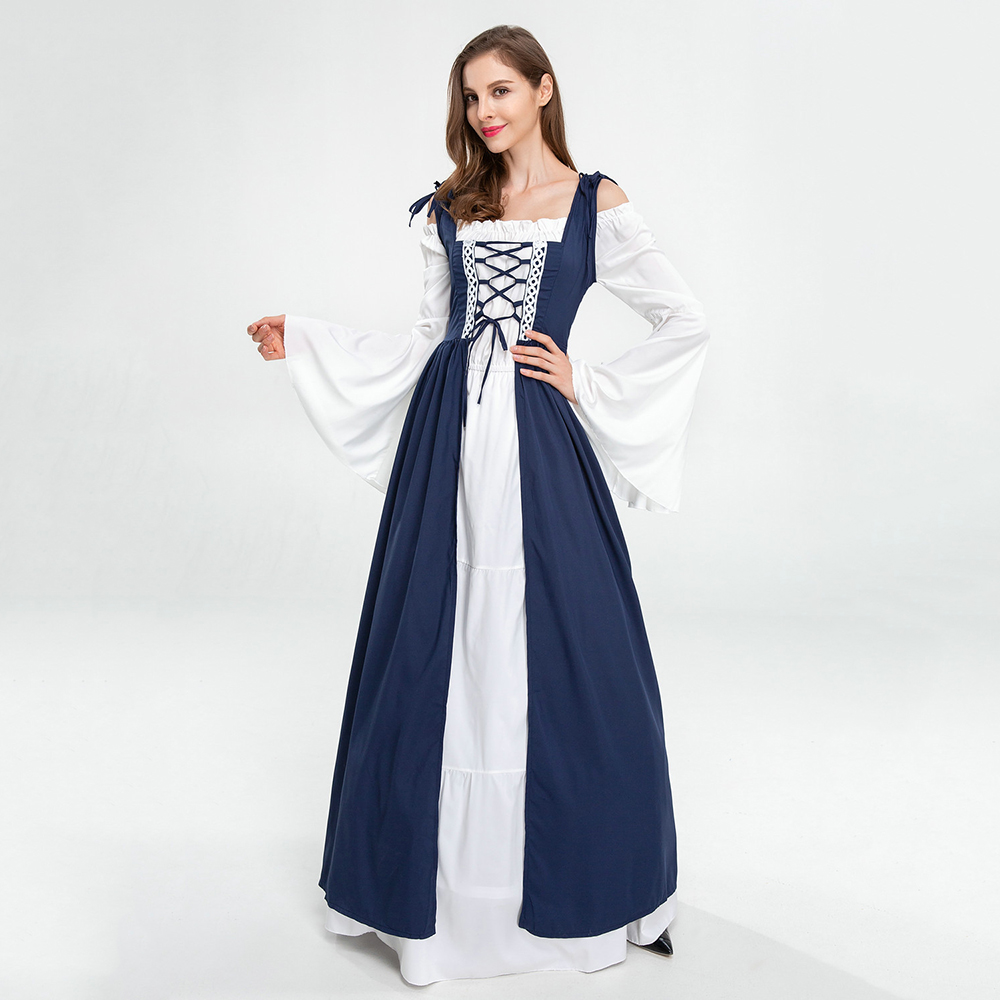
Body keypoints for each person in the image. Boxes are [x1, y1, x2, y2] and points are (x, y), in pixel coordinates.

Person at [246, 23, 710, 987]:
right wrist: (312, 339)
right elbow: (429, 342)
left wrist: (586, 381)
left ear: (543, 90)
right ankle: (440, 902)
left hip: (541, 449)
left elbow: (685, 320)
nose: (484, 111)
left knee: (580, 651)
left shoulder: (595, 204)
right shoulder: (448, 210)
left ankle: (596, 886)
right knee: (429, 647)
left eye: (500, 90)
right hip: (447, 450)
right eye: (470, 96)